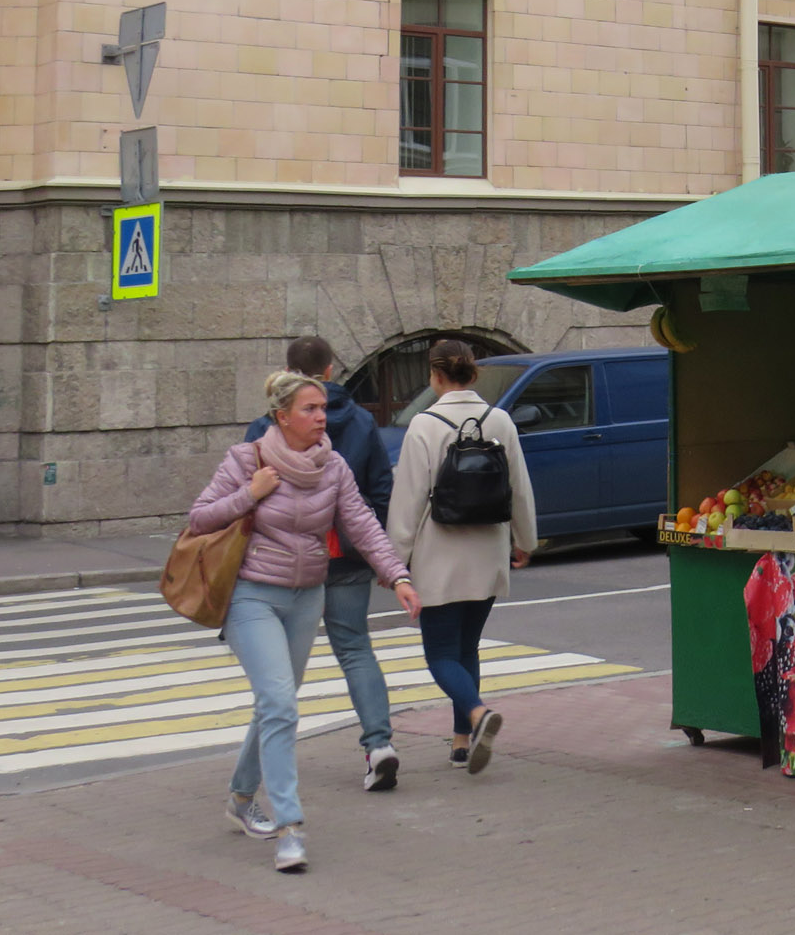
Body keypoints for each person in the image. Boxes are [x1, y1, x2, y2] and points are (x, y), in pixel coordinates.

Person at [190, 371, 420, 873]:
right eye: (310, 409)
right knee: (278, 703)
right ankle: (290, 828)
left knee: (277, 705)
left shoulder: (332, 466)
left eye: (322, 408)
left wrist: (397, 575)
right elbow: (201, 518)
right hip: (252, 595)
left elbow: (361, 524)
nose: (321, 417)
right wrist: (250, 494)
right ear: (281, 416)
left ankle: (239, 797)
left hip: (306, 597)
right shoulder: (246, 459)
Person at [243, 335, 400, 793]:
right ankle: (379, 745)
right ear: (331, 370)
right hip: (346, 556)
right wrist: (374, 549)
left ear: (288, 370)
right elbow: (380, 488)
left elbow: (245, 498)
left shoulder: (264, 427)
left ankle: (265, 763)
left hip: (283, 563)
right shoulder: (362, 421)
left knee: (281, 669)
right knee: (354, 647)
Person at [389, 339, 537, 775]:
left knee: (440, 654)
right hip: (488, 549)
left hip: (439, 553)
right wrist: (525, 540)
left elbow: (408, 501)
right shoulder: (501, 421)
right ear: (472, 374)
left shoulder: (424, 424)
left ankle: (476, 714)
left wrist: (395, 562)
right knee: (467, 647)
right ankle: (459, 744)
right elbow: (520, 488)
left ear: (435, 377)